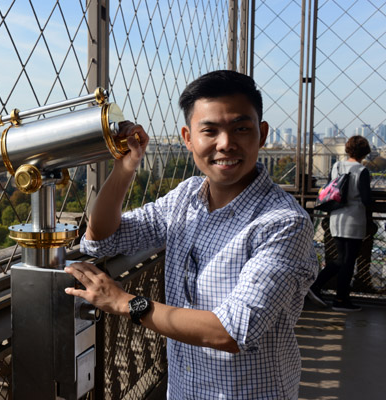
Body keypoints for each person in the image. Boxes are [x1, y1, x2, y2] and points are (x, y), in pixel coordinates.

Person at [64, 70, 318, 399]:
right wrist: (125, 167)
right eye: (209, 131)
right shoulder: (186, 197)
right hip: (185, 390)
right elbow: (102, 239)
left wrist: (125, 303)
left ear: (262, 133)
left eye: (241, 128)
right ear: (188, 138)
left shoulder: (283, 223)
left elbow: (234, 330)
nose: (226, 144)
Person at [307, 135, 372, 312]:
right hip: (354, 220)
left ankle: (317, 286)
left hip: (336, 218)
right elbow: (366, 199)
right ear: (364, 153)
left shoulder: (337, 166)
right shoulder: (362, 171)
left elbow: (331, 190)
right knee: (348, 261)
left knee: (340, 259)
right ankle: (341, 299)